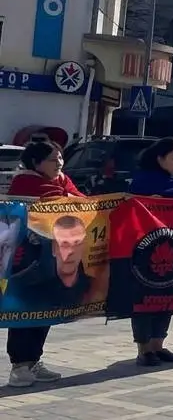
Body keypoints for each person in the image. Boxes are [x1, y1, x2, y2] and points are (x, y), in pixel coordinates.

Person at [4, 140, 83, 387]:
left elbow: (82, 200)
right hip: (28, 257)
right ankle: (19, 365)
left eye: (60, 157)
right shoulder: (25, 182)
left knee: (46, 307)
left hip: (57, 255)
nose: (59, 162)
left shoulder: (62, 181)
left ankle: (34, 360)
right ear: (36, 163)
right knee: (25, 307)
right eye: (52, 159)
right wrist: (67, 200)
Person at [127, 137, 173, 367]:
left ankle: (159, 344)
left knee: (168, 295)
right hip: (147, 246)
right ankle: (144, 348)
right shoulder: (144, 180)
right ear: (160, 158)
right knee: (146, 297)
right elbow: (132, 208)